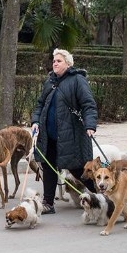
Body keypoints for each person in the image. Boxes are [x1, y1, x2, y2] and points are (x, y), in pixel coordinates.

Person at [31, 47, 99, 215]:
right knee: (48, 166)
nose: (55, 63)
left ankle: (104, 195)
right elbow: (40, 104)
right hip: (49, 135)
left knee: (78, 168)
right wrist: (35, 121)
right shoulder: (50, 81)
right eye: (54, 61)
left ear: (68, 64)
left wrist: (90, 125)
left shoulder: (77, 80)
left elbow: (88, 105)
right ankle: (48, 203)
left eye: (59, 61)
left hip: (72, 135)